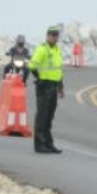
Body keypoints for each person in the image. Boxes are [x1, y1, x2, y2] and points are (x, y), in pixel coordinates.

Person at [29, 26, 65, 154]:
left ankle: (48, 143)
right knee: (42, 116)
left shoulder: (57, 50)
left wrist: (61, 86)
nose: (55, 37)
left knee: (49, 117)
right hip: (44, 86)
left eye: (56, 35)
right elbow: (32, 65)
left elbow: (58, 70)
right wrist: (38, 78)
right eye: (52, 34)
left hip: (53, 86)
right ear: (47, 35)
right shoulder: (42, 49)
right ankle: (39, 144)